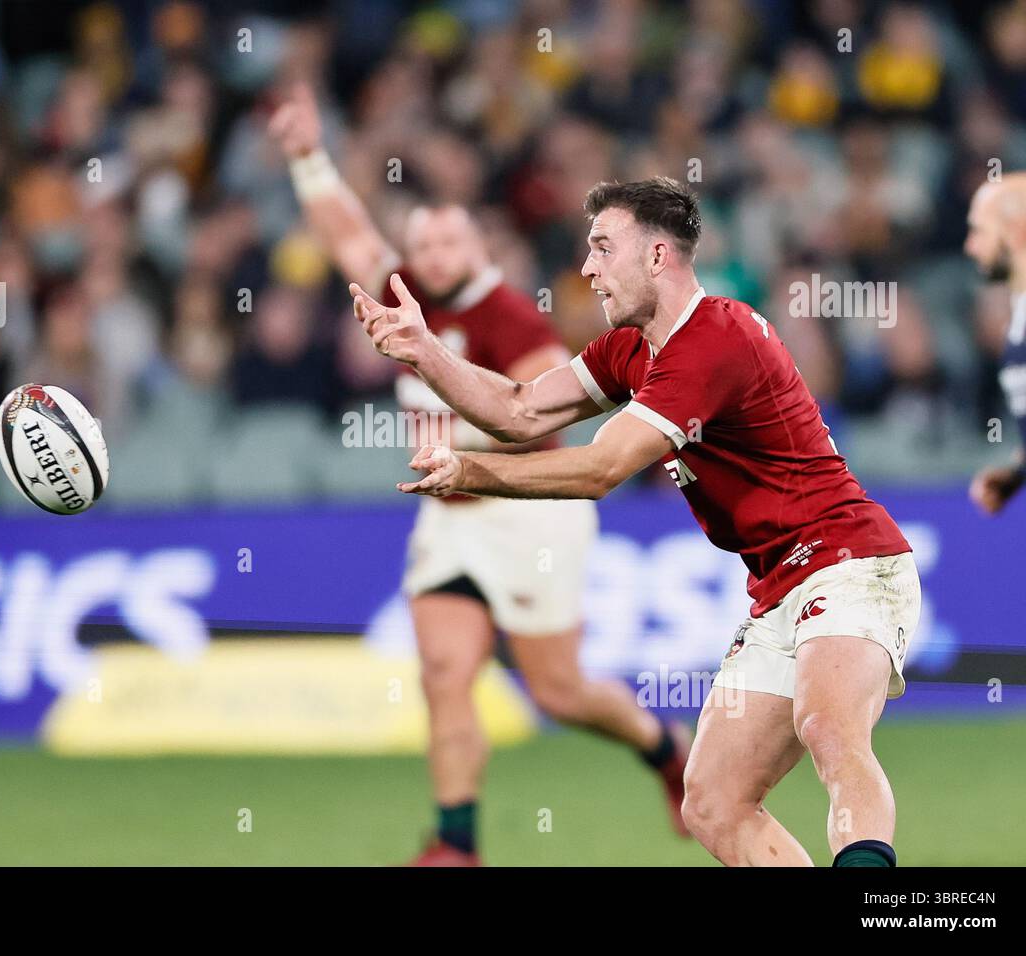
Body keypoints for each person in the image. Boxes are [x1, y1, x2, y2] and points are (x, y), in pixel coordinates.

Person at [351, 176, 920, 867]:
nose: (586, 268)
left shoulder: (713, 339)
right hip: (775, 588)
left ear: (657, 257)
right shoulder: (630, 350)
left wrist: (473, 471)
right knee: (712, 801)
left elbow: (600, 470)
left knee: (828, 725)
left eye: (601, 248)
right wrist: (426, 352)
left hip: (848, 561)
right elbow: (521, 409)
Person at [269, 85, 692, 866]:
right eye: (422, 245)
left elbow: (541, 420)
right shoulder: (408, 293)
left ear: (480, 252)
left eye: (447, 245)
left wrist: (461, 438)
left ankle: (665, 748)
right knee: (443, 672)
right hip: (450, 510)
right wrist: (306, 156)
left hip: (529, 515)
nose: (430, 258)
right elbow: (346, 233)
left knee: (560, 694)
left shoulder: (511, 322)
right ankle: (456, 843)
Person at [965, 171, 1026, 698]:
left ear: (1014, 230)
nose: (971, 246)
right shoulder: (1025, 316)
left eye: (980, 230)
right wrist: (1018, 472)